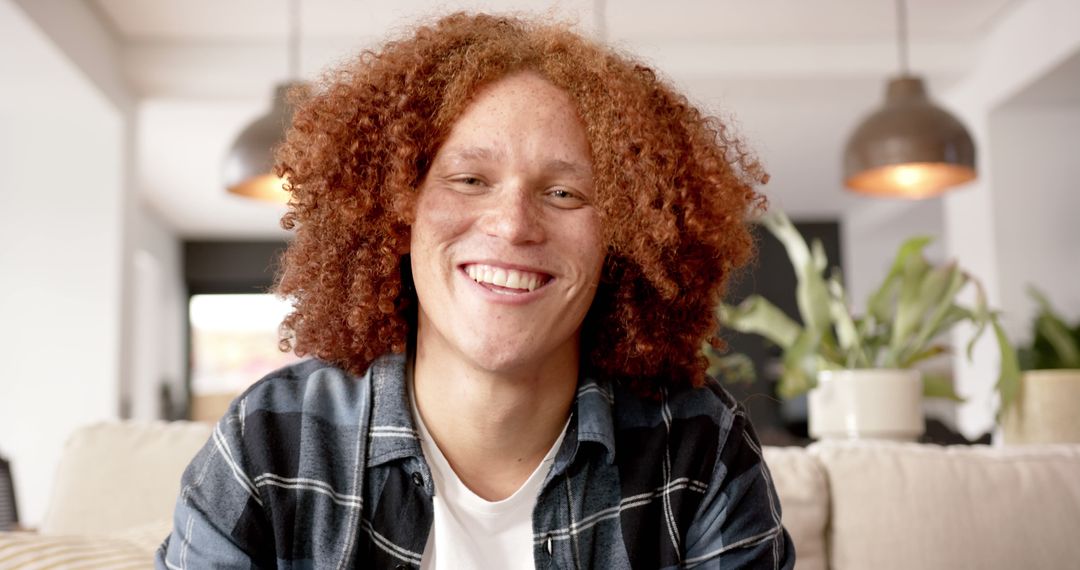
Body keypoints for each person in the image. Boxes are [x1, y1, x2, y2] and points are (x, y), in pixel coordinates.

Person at [157, 12, 794, 570]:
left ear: (622, 239)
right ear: (397, 216)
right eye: (468, 179)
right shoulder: (269, 443)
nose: (514, 224)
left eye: (564, 193)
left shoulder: (699, 448)